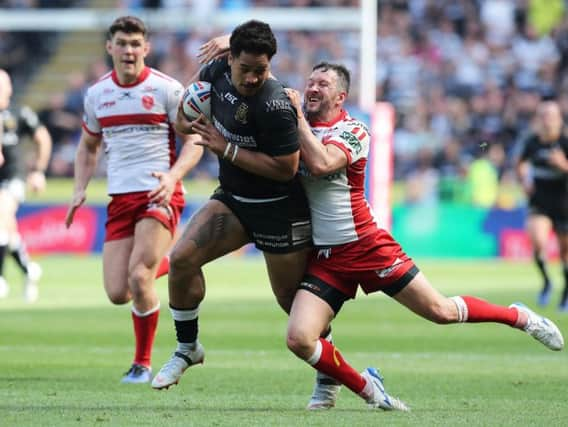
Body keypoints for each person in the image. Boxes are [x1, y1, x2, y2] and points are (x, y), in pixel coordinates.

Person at [283, 62, 564, 411]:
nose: (311, 87)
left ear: (340, 96)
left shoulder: (354, 130)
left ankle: (519, 317)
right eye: (309, 81)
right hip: (327, 255)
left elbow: (323, 163)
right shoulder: (295, 128)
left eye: (321, 84)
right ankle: (368, 389)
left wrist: (294, 117)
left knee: (441, 311)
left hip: (367, 245)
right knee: (298, 338)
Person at [151, 20, 315, 391]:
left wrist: (227, 148)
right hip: (234, 202)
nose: (254, 78)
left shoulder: (275, 104)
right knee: (181, 261)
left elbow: (286, 169)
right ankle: (187, 348)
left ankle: (328, 370)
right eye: (246, 69)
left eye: (262, 70)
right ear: (230, 61)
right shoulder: (214, 73)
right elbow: (183, 125)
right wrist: (186, 111)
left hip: (279, 209)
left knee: (291, 301)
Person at [64, 16, 203, 384]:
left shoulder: (166, 89)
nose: (128, 50)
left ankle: (141, 365)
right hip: (120, 198)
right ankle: (177, 262)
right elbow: (88, 146)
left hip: (159, 192)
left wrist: (174, 177)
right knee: (117, 292)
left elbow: (195, 140)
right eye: (122, 43)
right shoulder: (97, 95)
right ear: (110, 48)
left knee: (140, 276)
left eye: (135, 43)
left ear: (146, 48)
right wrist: (79, 188)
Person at [0, 68, 52, 303]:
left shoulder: (19, 113)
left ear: (9, 88)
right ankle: (27, 269)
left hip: (13, 177)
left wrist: (38, 171)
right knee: (7, 228)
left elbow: (42, 138)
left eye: (4, 84)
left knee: (1, 214)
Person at [515, 99, 568, 311]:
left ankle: (565, 293)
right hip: (540, 201)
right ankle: (547, 281)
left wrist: (563, 165)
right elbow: (519, 162)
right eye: (543, 115)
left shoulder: (565, 142)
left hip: (564, 204)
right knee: (537, 242)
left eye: (551, 116)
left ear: (559, 119)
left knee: (565, 254)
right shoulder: (532, 142)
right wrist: (524, 180)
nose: (547, 120)